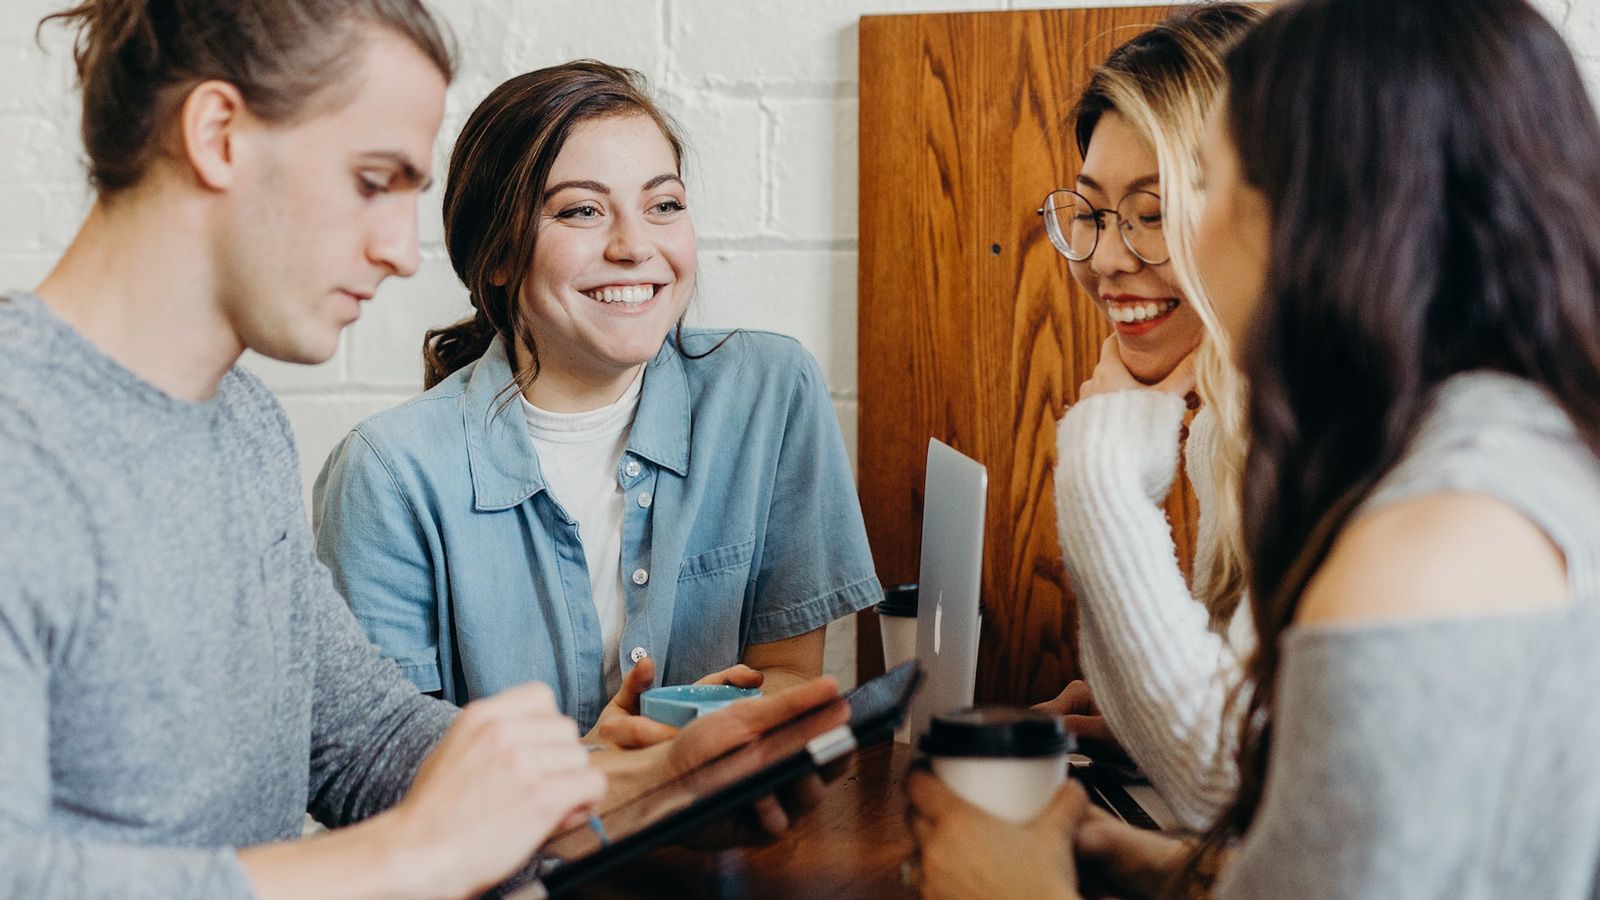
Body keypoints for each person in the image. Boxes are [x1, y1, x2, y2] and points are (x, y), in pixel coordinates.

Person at [0, 4, 838, 898]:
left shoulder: (238, 421)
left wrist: (639, 789)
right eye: (372, 180)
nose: (404, 252)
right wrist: (410, 858)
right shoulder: (24, 449)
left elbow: (362, 737)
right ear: (217, 135)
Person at [911, 0, 1600, 896]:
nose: (1172, 239)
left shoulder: (1424, 547)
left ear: (1325, 216)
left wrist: (1013, 887)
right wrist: (1150, 862)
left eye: (1206, 181)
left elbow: (1242, 782)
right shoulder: (1511, 450)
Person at [312, 60, 881, 740]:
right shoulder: (386, 474)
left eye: (663, 205)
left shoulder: (769, 392)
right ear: (495, 256)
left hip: (721, 836)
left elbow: (789, 675)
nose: (635, 246)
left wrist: (711, 736)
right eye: (581, 210)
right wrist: (604, 772)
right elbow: (384, 770)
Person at [1034, 3, 1262, 830]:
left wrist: (1099, 465)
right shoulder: (1230, 426)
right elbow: (1250, 755)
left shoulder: (1329, 431)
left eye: (1154, 212)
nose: (1105, 259)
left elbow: (1224, 784)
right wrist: (1139, 718)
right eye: (1091, 213)